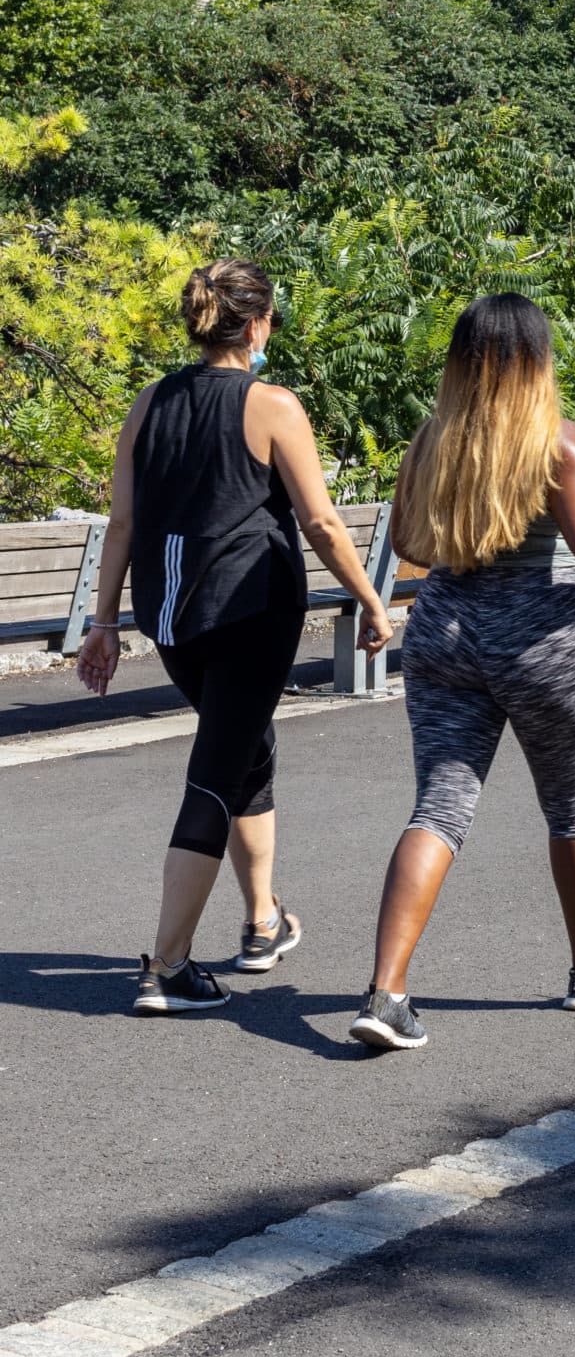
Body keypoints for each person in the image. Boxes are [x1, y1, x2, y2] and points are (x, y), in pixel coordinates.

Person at [75, 260, 392, 1017]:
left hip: (173, 616)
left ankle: (262, 923)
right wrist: (371, 599)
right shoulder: (272, 404)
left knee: (246, 750)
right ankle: (168, 965)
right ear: (255, 326)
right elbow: (318, 521)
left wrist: (106, 621)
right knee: (216, 772)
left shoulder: (150, 402)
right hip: (251, 614)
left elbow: (120, 521)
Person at [349, 294, 575, 1053]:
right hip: (539, 638)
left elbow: (410, 544)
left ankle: (386, 994)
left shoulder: (431, 442)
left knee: (440, 808)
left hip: (444, 632)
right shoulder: (560, 444)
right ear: (538, 360)